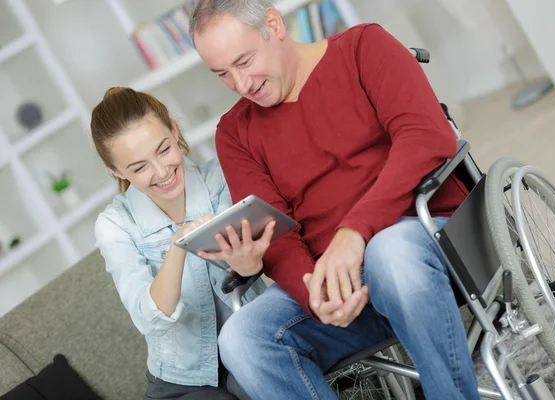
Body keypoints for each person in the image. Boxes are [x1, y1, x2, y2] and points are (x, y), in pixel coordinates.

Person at [189, 1, 480, 399]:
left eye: (244, 61)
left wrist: (354, 232)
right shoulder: (235, 133)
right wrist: (314, 293)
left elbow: (426, 137)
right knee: (242, 338)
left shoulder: (364, 47)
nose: (241, 84)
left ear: (273, 25)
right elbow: (273, 230)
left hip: (429, 242)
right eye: (222, 73)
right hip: (339, 287)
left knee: (389, 250)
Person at [91, 87, 271, 400]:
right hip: (183, 381)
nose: (162, 172)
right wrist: (178, 245)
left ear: (174, 130)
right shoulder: (115, 225)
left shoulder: (220, 175)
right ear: (115, 171)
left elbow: (256, 258)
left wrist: (249, 264)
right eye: (139, 167)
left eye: (163, 150)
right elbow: (150, 317)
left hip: (255, 342)